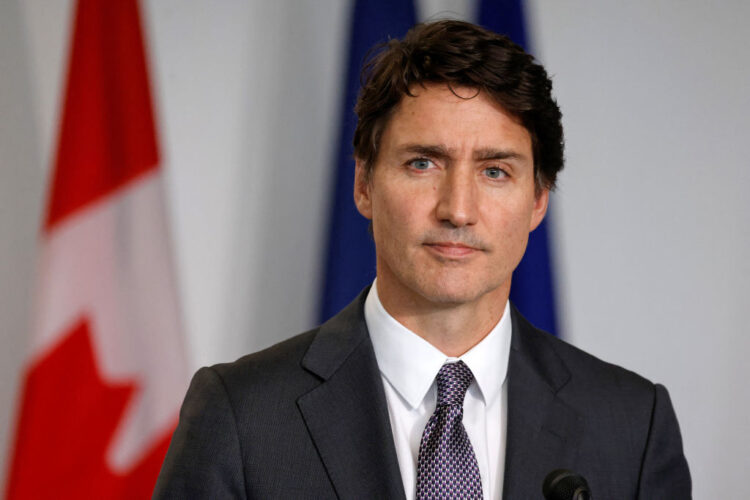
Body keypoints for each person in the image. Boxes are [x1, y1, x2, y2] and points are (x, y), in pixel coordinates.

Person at [154, 20, 691, 499]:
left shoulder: (631, 427)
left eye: (495, 171)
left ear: (538, 199)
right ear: (364, 185)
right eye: (422, 163)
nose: (458, 209)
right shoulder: (241, 418)